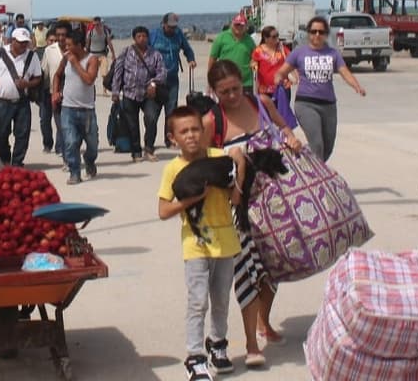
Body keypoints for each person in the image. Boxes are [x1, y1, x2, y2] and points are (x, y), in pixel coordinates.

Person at [203, 60, 302, 358]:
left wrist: (291, 137)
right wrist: (230, 155)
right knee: (248, 273)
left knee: (274, 267)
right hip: (238, 207)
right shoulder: (213, 120)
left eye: (235, 88)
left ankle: (264, 321)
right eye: (224, 92)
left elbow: (283, 126)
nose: (232, 96)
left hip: (275, 200)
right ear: (214, 91)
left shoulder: (260, 102)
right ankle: (251, 344)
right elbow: (201, 160)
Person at [158, 105, 250, 380]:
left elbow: (235, 199)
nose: (191, 136)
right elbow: (163, 210)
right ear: (173, 137)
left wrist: (240, 166)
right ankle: (195, 357)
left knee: (221, 300)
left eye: (195, 129)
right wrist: (190, 200)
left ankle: (217, 345)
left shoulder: (220, 157)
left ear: (205, 131)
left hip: (226, 242)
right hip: (195, 245)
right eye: (183, 131)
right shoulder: (173, 168)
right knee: (198, 302)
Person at [272, 15, 365, 161]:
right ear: (308, 33)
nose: (317, 35)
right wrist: (278, 79)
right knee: (317, 143)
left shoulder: (333, 54)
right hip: (306, 104)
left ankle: (309, 165)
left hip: (328, 105)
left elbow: (344, 71)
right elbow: (282, 71)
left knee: (327, 147)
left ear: (326, 34)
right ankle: (316, 178)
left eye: (321, 32)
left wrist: (356, 86)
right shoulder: (299, 53)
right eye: (313, 31)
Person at [53, 28, 102, 185]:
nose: (66, 48)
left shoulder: (92, 59)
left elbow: (89, 80)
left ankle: (89, 161)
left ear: (79, 45)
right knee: (71, 142)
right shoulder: (66, 58)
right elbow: (57, 75)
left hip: (87, 110)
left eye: (69, 45)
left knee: (93, 144)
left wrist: (75, 63)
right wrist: (55, 92)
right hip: (68, 108)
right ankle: (75, 172)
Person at [111, 26, 167, 162]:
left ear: (148, 38)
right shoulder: (126, 52)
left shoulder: (155, 54)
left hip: (149, 94)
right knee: (132, 124)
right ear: (134, 38)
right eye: (139, 36)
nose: (142, 39)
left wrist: (153, 83)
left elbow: (162, 72)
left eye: (144, 36)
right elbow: (118, 72)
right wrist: (115, 91)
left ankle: (149, 148)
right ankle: (136, 151)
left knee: (152, 118)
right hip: (130, 93)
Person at [0, 27, 43, 167]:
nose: (23, 45)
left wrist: (27, 84)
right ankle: (6, 158)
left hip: (22, 101)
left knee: (23, 134)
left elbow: (38, 77)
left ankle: (17, 162)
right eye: (20, 42)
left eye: (26, 42)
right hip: (1, 101)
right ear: (13, 41)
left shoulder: (32, 56)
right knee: (1, 133)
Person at [150, 13, 199, 143]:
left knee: (171, 112)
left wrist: (191, 59)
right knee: (153, 114)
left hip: (172, 78)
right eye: (169, 27)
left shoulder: (178, 34)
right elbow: (144, 50)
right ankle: (150, 142)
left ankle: (169, 140)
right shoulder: (154, 34)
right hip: (156, 79)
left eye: (174, 27)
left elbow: (187, 49)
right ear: (163, 24)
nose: (172, 29)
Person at [250, 26, 297, 129]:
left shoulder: (281, 48)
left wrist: (296, 75)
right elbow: (253, 62)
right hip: (265, 89)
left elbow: (291, 61)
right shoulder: (258, 51)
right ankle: (269, 135)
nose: (277, 39)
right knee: (267, 114)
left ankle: (284, 133)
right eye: (274, 36)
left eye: (277, 36)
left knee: (283, 113)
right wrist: (254, 66)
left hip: (282, 87)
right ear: (266, 38)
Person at [39, 22, 69, 156]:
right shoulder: (49, 50)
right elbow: (44, 72)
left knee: (64, 125)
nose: (61, 38)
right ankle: (51, 144)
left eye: (64, 35)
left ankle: (61, 147)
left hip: (70, 94)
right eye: (58, 35)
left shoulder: (75, 50)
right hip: (52, 92)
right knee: (48, 121)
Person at [208, 13, 255, 85]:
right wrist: (210, 80)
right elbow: (212, 59)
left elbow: (255, 57)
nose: (239, 27)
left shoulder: (250, 40)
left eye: (241, 25)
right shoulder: (222, 37)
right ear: (232, 25)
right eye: (237, 24)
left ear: (246, 26)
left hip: (246, 83)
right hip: (225, 80)